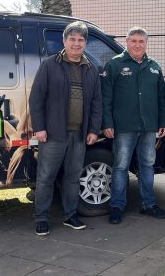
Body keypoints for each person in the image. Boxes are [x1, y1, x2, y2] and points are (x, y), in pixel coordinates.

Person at [29, 21, 103, 236]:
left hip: (79, 135)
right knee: (46, 177)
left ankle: (70, 215)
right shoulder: (50, 64)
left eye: (81, 40)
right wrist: (40, 128)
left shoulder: (91, 68)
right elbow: (37, 98)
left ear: (85, 43)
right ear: (64, 41)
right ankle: (42, 218)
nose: (76, 44)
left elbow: (96, 102)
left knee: (72, 177)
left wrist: (92, 130)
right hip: (53, 133)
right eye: (72, 39)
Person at [102, 27, 165, 225]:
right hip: (123, 127)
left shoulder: (154, 66)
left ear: (146, 43)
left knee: (147, 166)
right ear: (127, 42)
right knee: (120, 167)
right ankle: (117, 206)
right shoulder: (114, 65)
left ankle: (148, 204)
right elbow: (106, 98)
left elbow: (161, 98)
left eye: (141, 41)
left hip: (149, 127)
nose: (138, 45)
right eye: (134, 41)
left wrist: (164, 122)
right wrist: (107, 122)